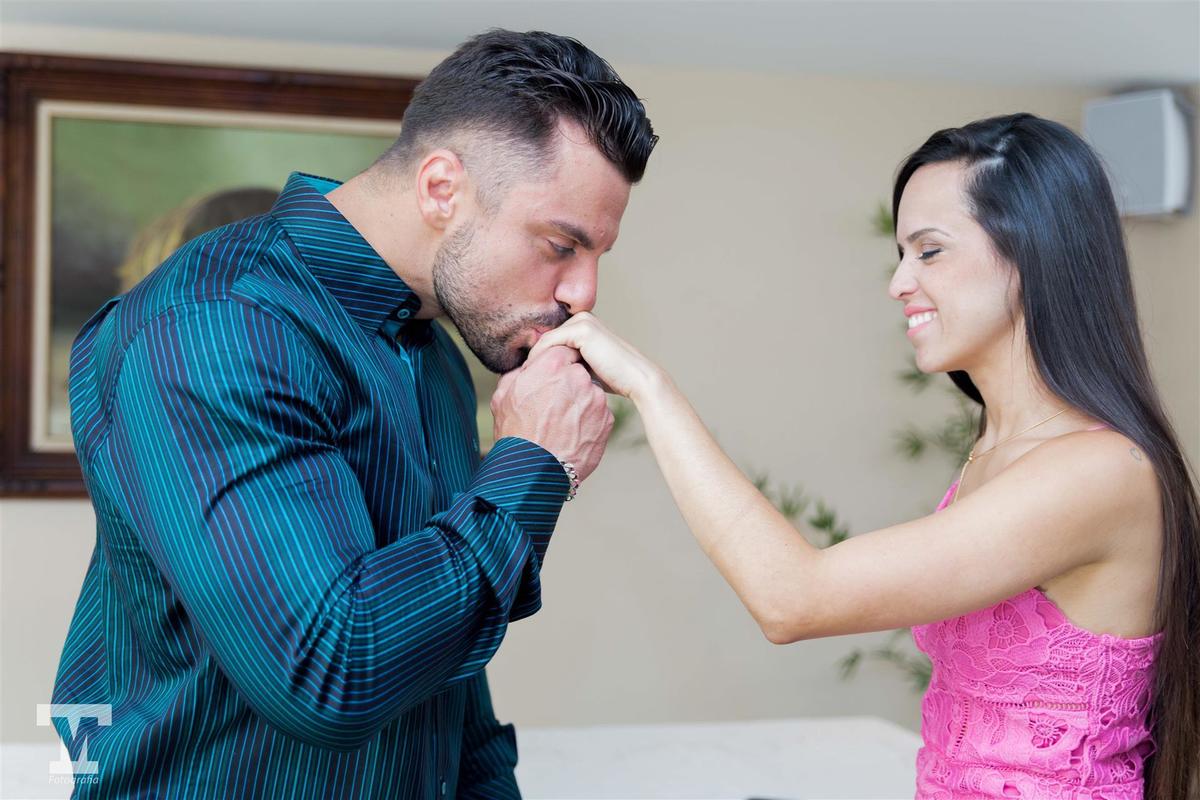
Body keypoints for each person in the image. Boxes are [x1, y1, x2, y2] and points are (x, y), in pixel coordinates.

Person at [51, 29, 656, 799]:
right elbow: (328, 674)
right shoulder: (216, 323)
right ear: (442, 188)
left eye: (597, 255)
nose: (584, 293)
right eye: (560, 244)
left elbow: (444, 681)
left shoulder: (432, 355)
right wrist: (532, 462)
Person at [530, 114, 1198, 799]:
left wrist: (648, 385)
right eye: (901, 253)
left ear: (1033, 257)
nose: (899, 282)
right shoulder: (998, 452)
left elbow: (793, 600)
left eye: (929, 251)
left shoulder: (1100, 472)